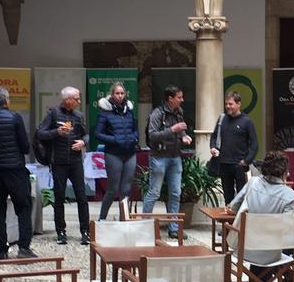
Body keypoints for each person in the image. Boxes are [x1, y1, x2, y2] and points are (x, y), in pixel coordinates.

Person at [228, 150, 294, 282]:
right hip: (272, 251)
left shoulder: (253, 183)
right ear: (284, 172)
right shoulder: (289, 195)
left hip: (246, 248)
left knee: (259, 243)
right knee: (272, 245)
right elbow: (287, 227)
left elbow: (234, 206)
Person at [0, 85, 35, 259]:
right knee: (23, 207)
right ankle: (24, 248)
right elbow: (25, 146)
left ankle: (2, 250)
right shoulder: (14, 117)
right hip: (15, 169)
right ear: (6, 101)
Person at [37, 86, 90, 245]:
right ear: (67, 100)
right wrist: (56, 132)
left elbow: (86, 134)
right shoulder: (53, 113)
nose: (79, 101)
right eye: (76, 99)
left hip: (75, 161)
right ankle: (61, 231)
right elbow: (40, 133)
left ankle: (85, 231)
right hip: (58, 161)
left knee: (82, 196)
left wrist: (83, 142)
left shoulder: (78, 115)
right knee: (59, 197)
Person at [143, 84, 192, 239]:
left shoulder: (179, 112)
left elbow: (181, 129)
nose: (182, 100)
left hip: (175, 157)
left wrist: (184, 135)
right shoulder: (157, 114)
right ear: (170, 99)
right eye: (179, 97)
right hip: (159, 157)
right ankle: (143, 226)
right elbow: (152, 135)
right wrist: (173, 130)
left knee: (176, 193)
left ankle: (174, 228)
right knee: (154, 192)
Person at [94, 82, 139, 221]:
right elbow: (97, 133)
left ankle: (123, 219)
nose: (120, 96)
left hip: (130, 153)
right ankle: (102, 218)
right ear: (112, 95)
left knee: (126, 190)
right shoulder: (105, 113)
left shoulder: (129, 111)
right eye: (117, 93)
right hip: (113, 154)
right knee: (113, 189)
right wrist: (115, 139)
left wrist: (134, 138)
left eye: (122, 93)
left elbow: (136, 129)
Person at [210, 91, 258, 205]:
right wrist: (212, 148)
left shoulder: (247, 121)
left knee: (242, 196)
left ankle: (240, 221)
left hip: (239, 165)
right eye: (226, 104)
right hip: (224, 164)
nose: (228, 106)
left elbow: (254, 144)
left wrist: (247, 161)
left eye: (230, 104)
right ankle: (228, 222)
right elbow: (214, 136)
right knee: (228, 197)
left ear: (238, 104)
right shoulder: (222, 119)